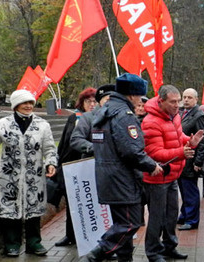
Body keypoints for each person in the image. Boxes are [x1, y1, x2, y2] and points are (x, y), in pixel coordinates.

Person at [81, 74, 163, 262]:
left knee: (121, 222)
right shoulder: (123, 116)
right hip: (122, 178)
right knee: (130, 223)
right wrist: (151, 165)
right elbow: (131, 150)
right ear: (132, 95)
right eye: (139, 97)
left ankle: (124, 259)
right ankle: (96, 254)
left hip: (108, 175)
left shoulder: (106, 110)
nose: (140, 101)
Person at [141, 85, 204, 262]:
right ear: (161, 101)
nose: (178, 105)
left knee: (170, 215)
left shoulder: (173, 116)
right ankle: (153, 252)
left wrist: (190, 141)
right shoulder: (150, 122)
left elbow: (177, 137)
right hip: (157, 178)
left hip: (172, 175)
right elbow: (154, 153)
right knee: (157, 217)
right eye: (173, 102)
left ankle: (169, 247)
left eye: (179, 101)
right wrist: (181, 153)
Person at [0, 90, 57, 257]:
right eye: (25, 103)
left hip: (34, 176)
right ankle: (12, 244)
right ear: (16, 104)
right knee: (10, 208)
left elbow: (50, 148)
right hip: (9, 176)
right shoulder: (2, 124)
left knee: (34, 208)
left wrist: (51, 163)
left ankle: (34, 243)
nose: (29, 106)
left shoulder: (42, 125)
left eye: (31, 103)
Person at [53, 87, 97, 247]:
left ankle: (90, 236)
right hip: (72, 166)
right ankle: (70, 235)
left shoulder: (98, 118)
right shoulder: (74, 118)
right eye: (88, 101)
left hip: (91, 166)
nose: (92, 104)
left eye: (94, 101)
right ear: (82, 102)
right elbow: (65, 142)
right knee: (73, 202)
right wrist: (59, 165)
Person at [177, 88, 204, 231]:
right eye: (184, 97)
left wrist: (198, 162)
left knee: (190, 190)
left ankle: (192, 219)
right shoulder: (180, 113)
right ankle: (184, 214)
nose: (186, 100)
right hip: (181, 158)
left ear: (196, 99)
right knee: (183, 189)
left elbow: (203, 140)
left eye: (189, 97)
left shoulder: (199, 116)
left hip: (191, 160)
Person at [70, 84, 115, 158]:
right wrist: (96, 148)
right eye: (107, 100)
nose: (111, 103)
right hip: (93, 162)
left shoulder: (119, 117)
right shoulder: (87, 118)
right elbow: (76, 139)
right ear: (100, 101)